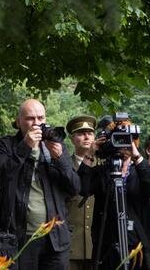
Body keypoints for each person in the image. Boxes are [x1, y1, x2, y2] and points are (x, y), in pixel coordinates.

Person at [0, 99, 81, 269]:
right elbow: (0, 177)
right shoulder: (6, 145)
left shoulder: (56, 144)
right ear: (18, 122)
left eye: (41, 118)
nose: (37, 123)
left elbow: (75, 187)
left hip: (55, 239)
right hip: (18, 238)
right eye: (30, 119)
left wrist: (60, 159)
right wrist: (25, 146)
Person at [78, 128, 150, 269]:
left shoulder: (139, 170)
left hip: (136, 240)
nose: (122, 146)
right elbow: (82, 188)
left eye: (125, 141)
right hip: (107, 240)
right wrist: (90, 153)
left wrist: (136, 156)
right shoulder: (103, 171)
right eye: (117, 141)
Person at [66, 115, 97, 270]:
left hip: (97, 243)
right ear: (72, 139)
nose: (86, 136)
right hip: (71, 243)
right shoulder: (64, 166)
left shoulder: (103, 165)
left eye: (89, 133)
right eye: (80, 133)